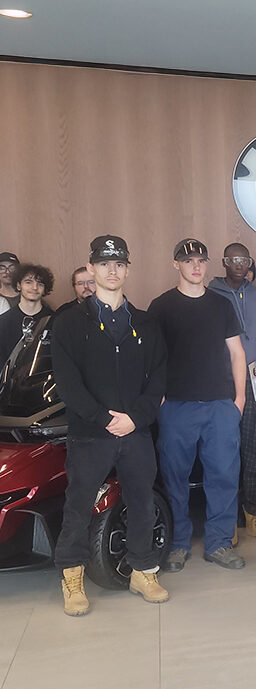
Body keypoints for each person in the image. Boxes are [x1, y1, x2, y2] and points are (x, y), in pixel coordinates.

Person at [51, 234, 168, 615]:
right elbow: (69, 384)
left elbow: (159, 379)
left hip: (136, 433)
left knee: (142, 503)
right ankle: (72, 577)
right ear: (91, 269)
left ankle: (142, 571)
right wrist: (104, 419)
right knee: (78, 505)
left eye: (118, 264)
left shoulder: (146, 324)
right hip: (90, 434)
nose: (112, 270)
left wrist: (135, 419)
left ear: (128, 270)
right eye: (104, 264)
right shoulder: (69, 322)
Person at [148, 239, 248, 571]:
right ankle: (178, 543)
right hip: (177, 406)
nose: (196, 266)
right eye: (188, 260)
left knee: (223, 475)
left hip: (220, 405)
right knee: (175, 476)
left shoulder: (221, 305)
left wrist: (240, 398)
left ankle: (219, 543)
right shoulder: (162, 306)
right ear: (175, 264)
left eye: (201, 260)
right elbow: (151, 359)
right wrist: (159, 399)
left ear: (207, 265)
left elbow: (236, 353)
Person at [208, 243, 256, 542]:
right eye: (234, 259)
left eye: (244, 259)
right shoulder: (210, 294)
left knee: (254, 450)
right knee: (223, 452)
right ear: (224, 262)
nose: (239, 263)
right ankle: (227, 520)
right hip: (222, 382)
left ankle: (253, 514)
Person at [0, 263, 54, 365]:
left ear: (44, 289)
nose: (35, 287)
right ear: (18, 286)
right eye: (28, 282)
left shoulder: (55, 320)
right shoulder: (3, 322)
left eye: (40, 284)